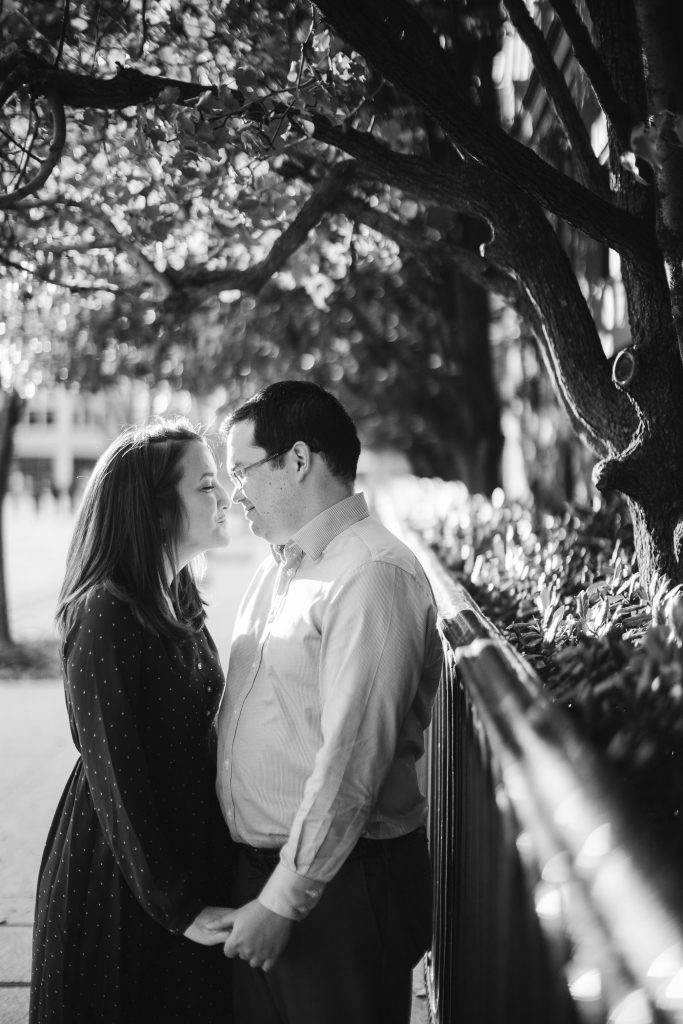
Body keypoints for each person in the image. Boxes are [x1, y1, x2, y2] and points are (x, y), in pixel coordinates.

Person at [216, 380, 443, 1024]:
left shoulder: (373, 572)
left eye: (243, 470)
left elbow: (351, 763)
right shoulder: (275, 568)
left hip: (338, 888)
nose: (236, 491)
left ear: (297, 459)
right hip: (266, 878)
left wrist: (284, 900)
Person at [30, 418, 235, 1024]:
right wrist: (179, 907)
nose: (225, 497)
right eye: (205, 485)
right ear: (156, 510)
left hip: (186, 859)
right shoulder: (106, 613)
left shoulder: (180, 599)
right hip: (122, 881)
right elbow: (115, 777)